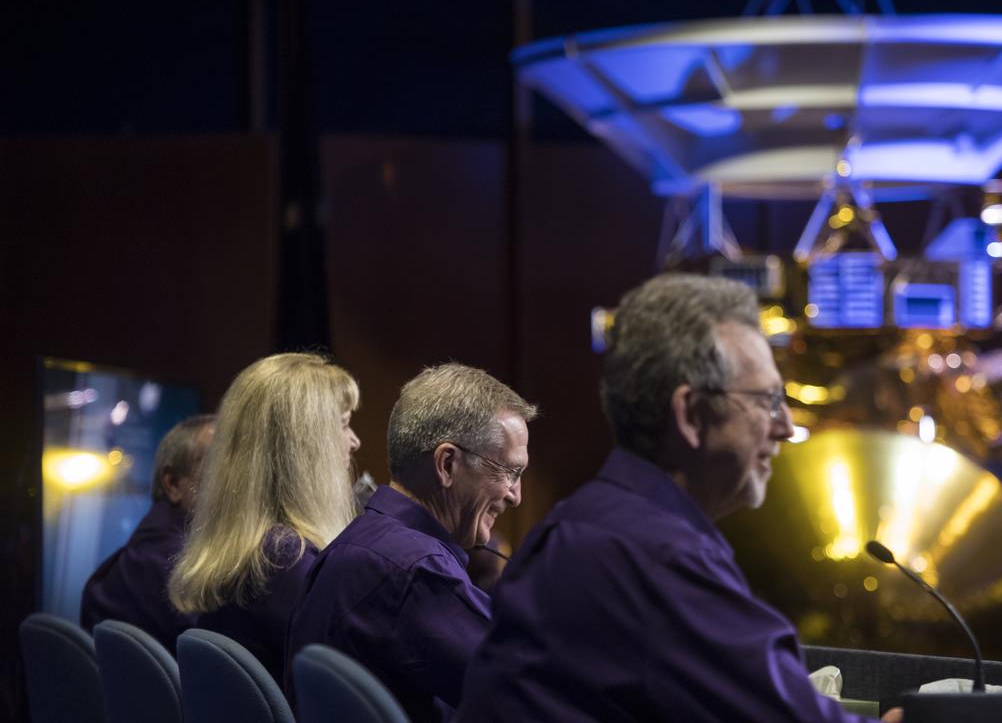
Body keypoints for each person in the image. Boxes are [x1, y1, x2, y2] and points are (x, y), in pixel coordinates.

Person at [457, 273, 896, 722]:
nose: (785, 425)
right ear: (690, 415)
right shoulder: (657, 558)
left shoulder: (582, 524)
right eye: (767, 399)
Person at [288, 363, 536, 722]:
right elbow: (530, 695)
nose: (516, 496)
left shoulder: (358, 541)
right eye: (510, 472)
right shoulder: (416, 571)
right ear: (447, 464)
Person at [168, 353, 361, 685]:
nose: (355, 441)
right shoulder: (288, 561)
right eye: (343, 424)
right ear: (305, 448)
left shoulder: (248, 552)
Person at [80, 414, 214, 651]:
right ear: (172, 483)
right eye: (219, 468)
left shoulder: (115, 569)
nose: (237, 486)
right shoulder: (189, 578)